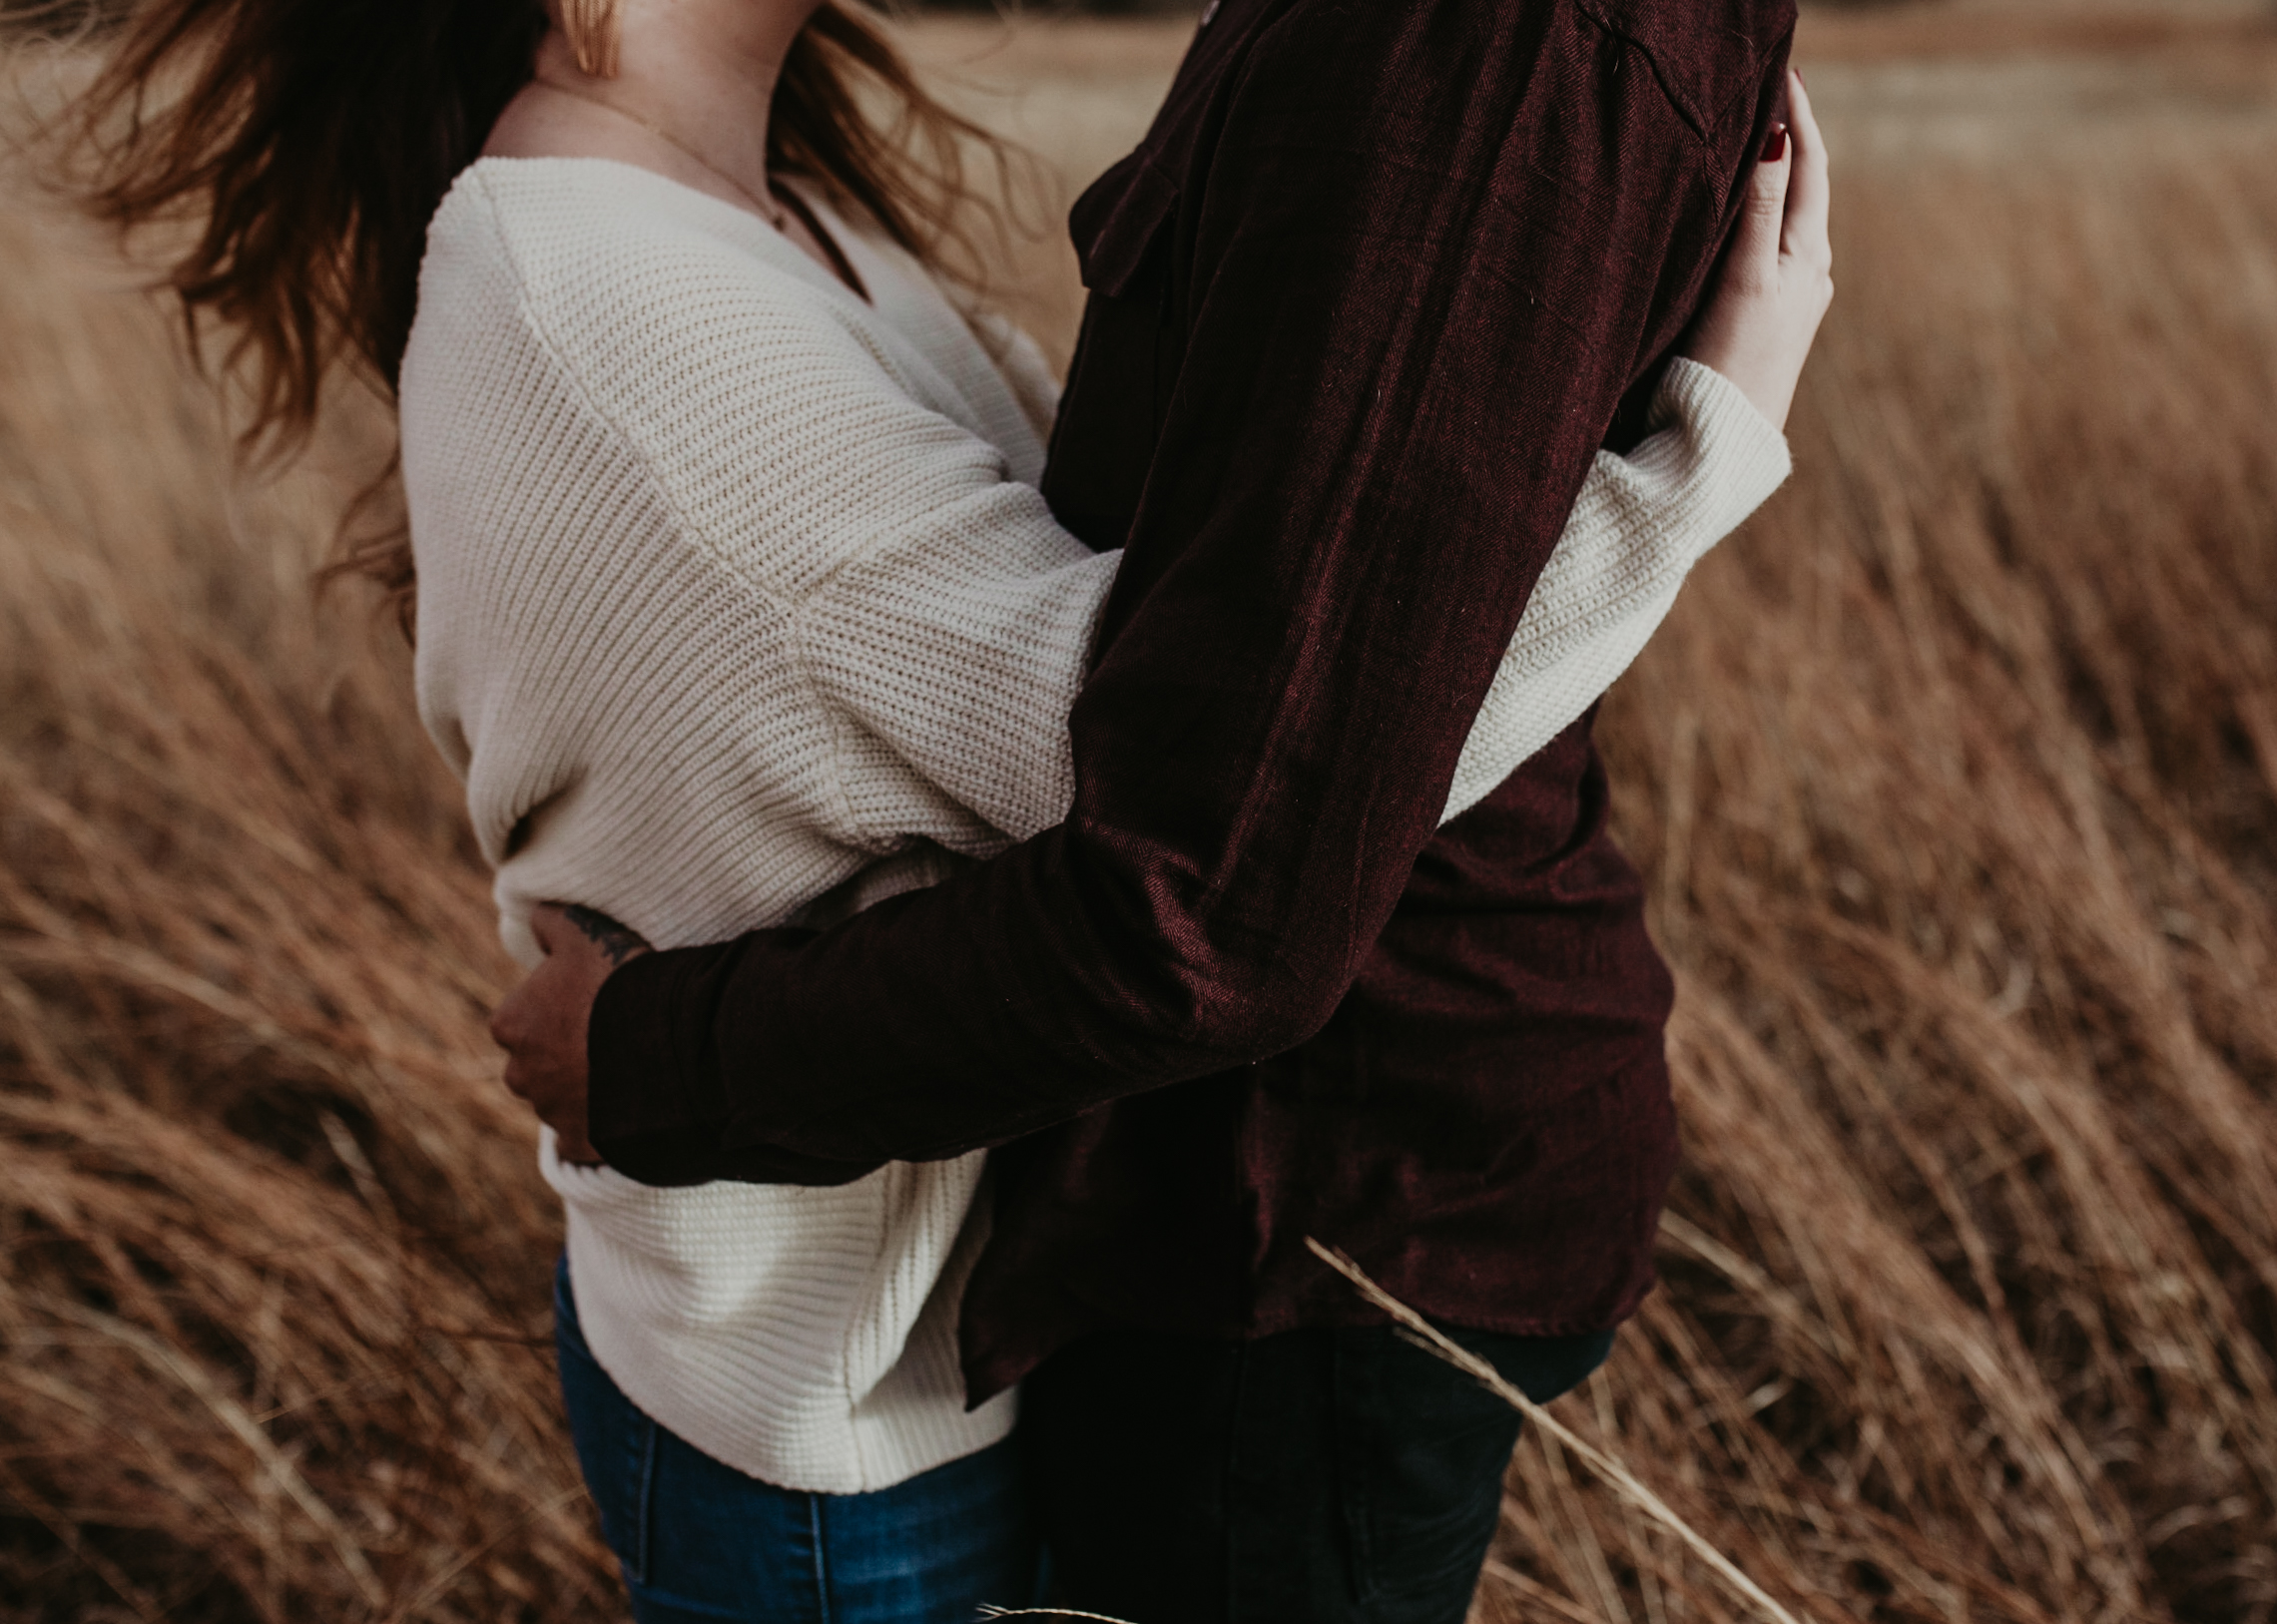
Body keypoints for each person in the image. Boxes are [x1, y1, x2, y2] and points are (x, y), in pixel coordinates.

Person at [72, 0, 1826, 1614]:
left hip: (904, 1340)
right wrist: (1689, 462)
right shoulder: (594, 282)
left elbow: (1240, 702)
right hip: (830, 1418)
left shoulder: (762, 220)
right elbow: (1215, 774)